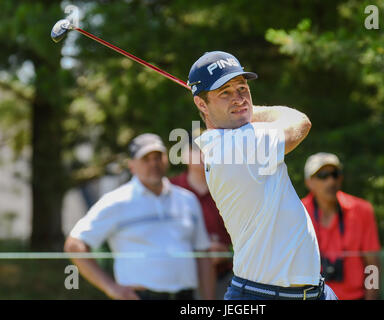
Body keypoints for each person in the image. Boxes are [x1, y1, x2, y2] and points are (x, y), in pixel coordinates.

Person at [187, 51, 337, 300]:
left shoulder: (234, 138)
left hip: (311, 292)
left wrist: (237, 108)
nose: (239, 98)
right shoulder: (236, 145)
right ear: (202, 104)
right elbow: (300, 122)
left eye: (242, 88)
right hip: (265, 296)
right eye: (225, 92)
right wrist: (249, 109)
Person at [64, 133, 215, 300]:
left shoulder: (188, 200)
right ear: (132, 166)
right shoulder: (116, 201)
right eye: (146, 159)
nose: (154, 163)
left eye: (158, 157)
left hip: (186, 297)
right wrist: (111, 288)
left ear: (167, 159)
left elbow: (203, 255)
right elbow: (74, 245)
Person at [302, 152, 381, 300]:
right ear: (309, 182)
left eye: (335, 174)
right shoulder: (298, 212)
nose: (331, 181)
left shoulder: (362, 210)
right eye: (323, 176)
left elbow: (373, 266)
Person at [170, 128, 234, 299]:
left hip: (227, 277)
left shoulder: (229, 188)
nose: (202, 153)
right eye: (195, 148)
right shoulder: (170, 189)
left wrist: (227, 251)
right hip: (181, 280)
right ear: (183, 154)